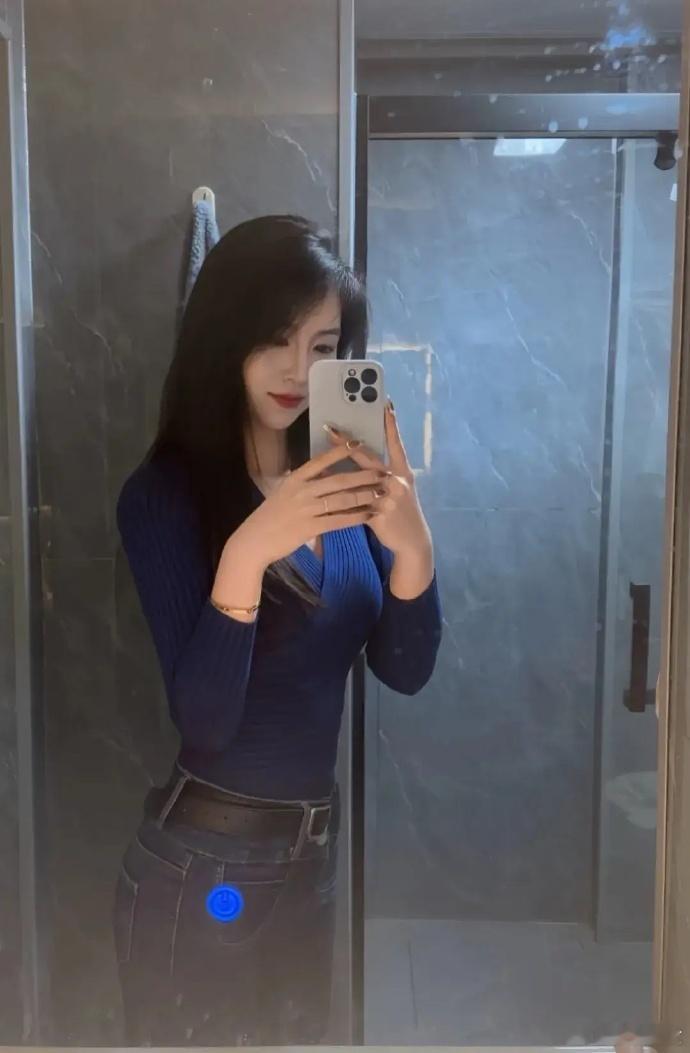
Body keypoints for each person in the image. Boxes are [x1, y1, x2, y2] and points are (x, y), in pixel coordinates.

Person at [113, 214, 441, 1045]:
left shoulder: (343, 483)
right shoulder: (163, 496)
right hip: (204, 868)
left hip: (308, 862)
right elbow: (206, 721)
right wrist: (249, 551)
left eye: (322, 346)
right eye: (274, 339)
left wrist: (414, 546)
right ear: (224, 339)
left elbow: (404, 669)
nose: (299, 370)